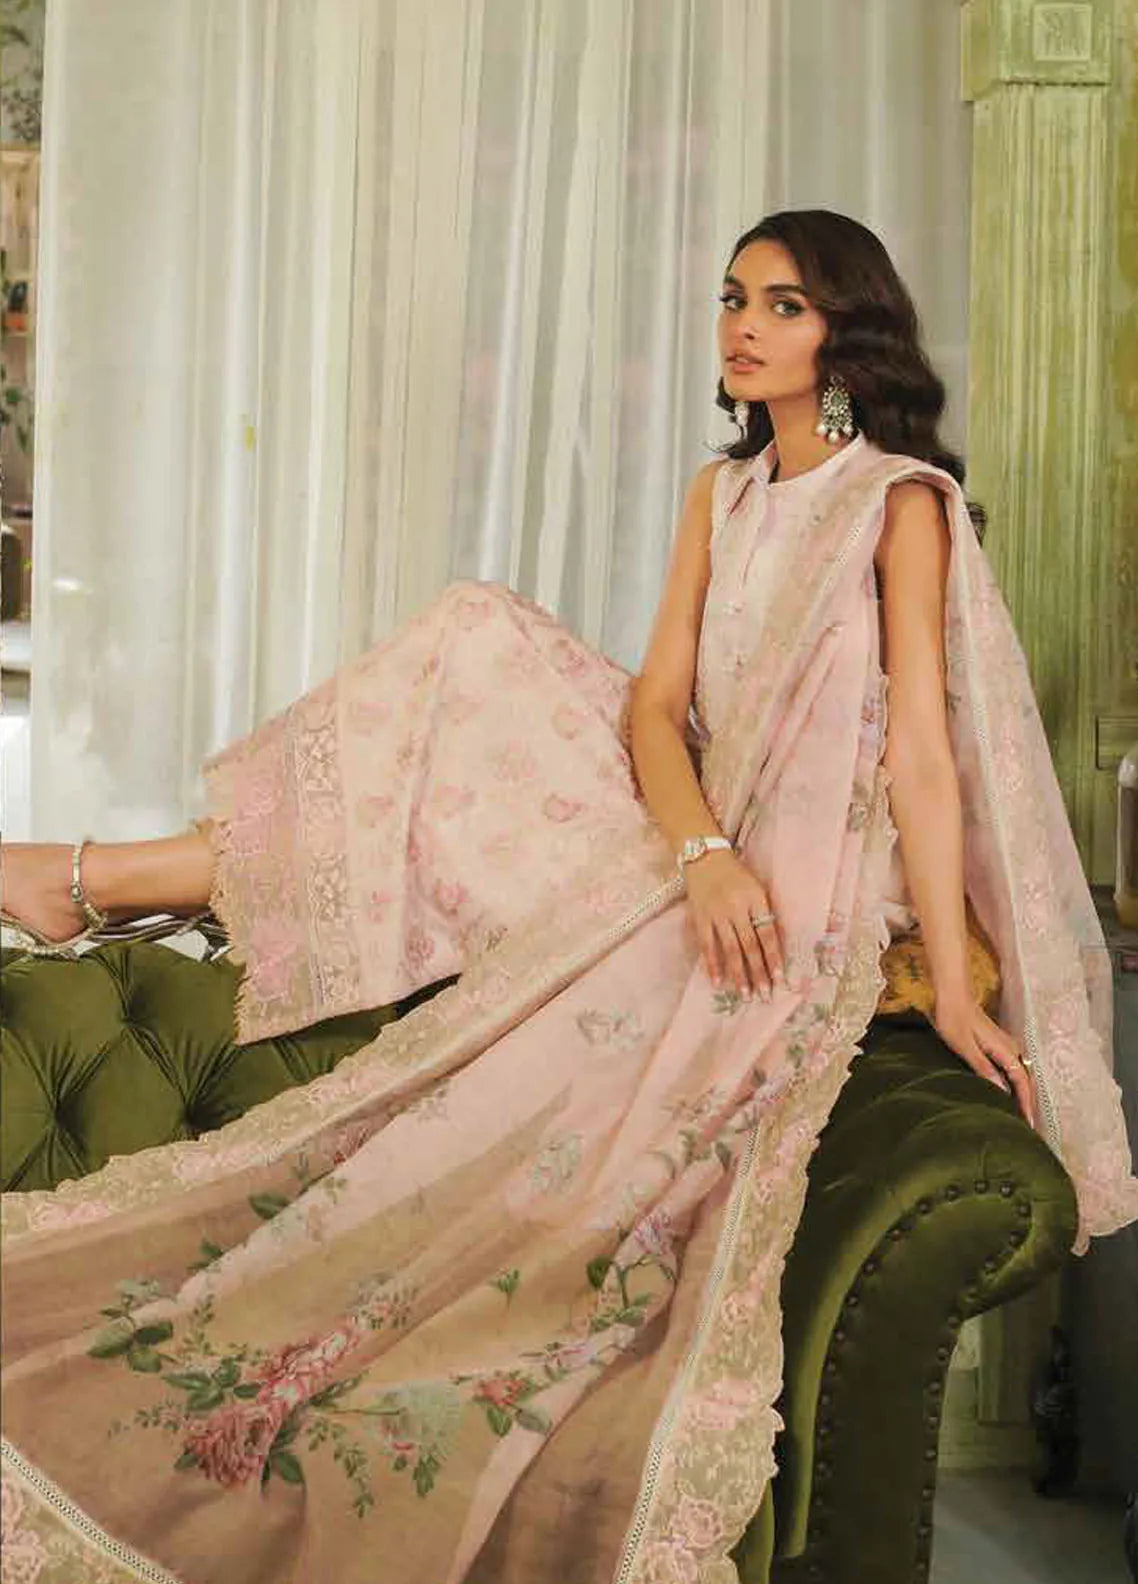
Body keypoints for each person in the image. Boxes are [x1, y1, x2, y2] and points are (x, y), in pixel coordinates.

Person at [2, 209, 1135, 1584]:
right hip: (697, 841)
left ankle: (89, 877)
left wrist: (952, 987)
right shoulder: (721, 496)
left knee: (469, 691)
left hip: (812, 894)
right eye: (732, 298)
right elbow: (657, 707)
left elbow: (925, 760)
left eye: (782, 305)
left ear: (848, 331)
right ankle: (93, 877)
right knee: (470, 642)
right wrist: (701, 856)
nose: (742, 327)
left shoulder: (899, 504)